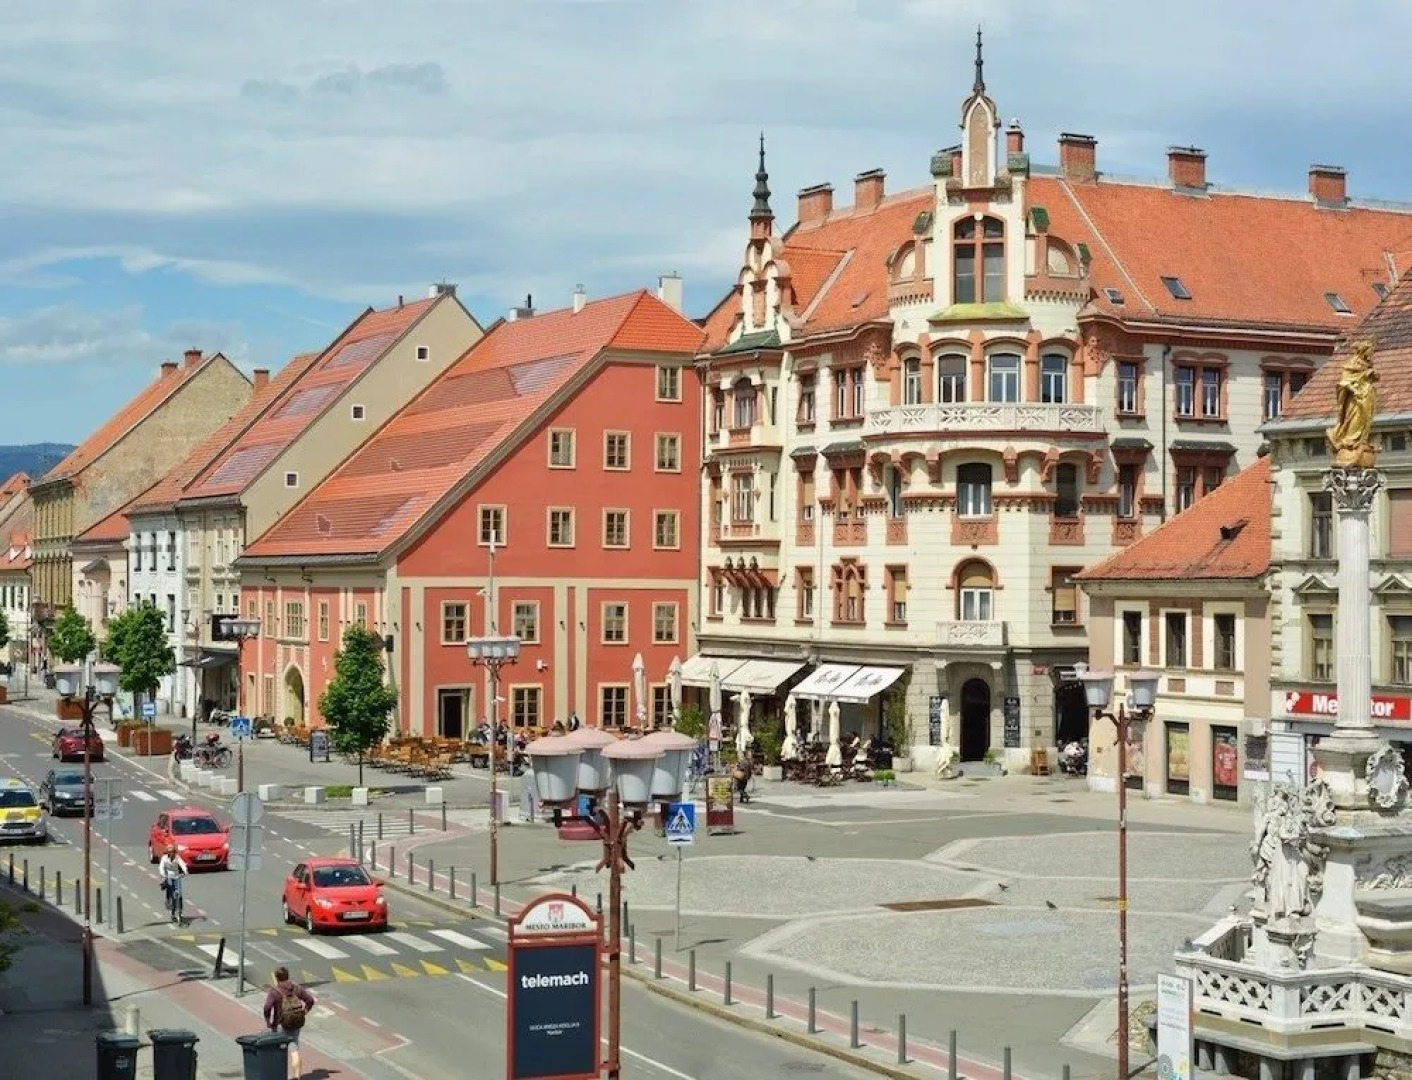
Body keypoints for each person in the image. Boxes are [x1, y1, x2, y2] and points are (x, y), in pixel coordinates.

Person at [263, 966, 316, 1079]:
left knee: (277, 1050)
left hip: (280, 1025)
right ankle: (297, 1076)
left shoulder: (275, 991)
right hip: (295, 1022)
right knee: (294, 1049)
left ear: (277, 978)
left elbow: (267, 1007)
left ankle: (278, 1075)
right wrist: (304, 1012)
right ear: (288, 976)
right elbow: (310, 1000)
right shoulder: (297, 988)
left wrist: (268, 1021)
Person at [157, 845, 188, 921]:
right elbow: (161, 867)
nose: (172, 853)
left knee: (179, 894)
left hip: (177, 876)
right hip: (168, 876)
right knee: (172, 894)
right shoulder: (164, 858)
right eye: (170, 852)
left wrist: (185, 871)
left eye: (173, 852)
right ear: (167, 852)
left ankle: (180, 911)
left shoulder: (177, 858)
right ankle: (172, 912)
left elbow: (182, 864)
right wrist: (163, 875)